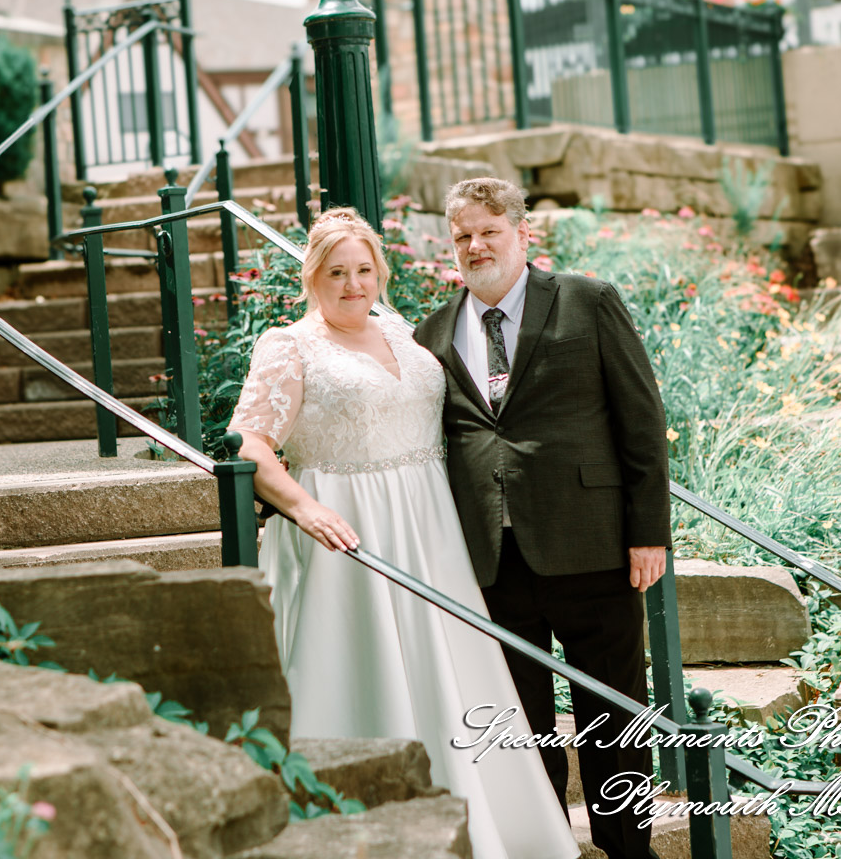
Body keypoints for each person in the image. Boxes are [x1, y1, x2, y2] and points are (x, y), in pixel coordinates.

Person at [228, 207, 579, 859]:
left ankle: (494, 825)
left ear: (379, 274)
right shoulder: (289, 346)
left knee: (455, 670)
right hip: (349, 529)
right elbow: (249, 444)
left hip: (430, 527)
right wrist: (303, 508)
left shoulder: (400, 330)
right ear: (312, 276)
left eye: (364, 270)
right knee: (366, 670)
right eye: (337, 272)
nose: (352, 284)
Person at [413, 178, 671, 859]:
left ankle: (627, 850)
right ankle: (549, 845)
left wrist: (649, 531)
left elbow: (642, 420)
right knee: (520, 723)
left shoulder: (588, 301)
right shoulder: (431, 334)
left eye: (489, 231)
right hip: (491, 560)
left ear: (523, 234)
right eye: (463, 235)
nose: (476, 246)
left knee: (613, 712)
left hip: (593, 544)